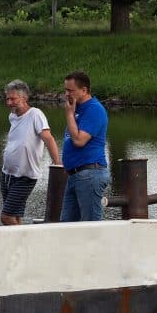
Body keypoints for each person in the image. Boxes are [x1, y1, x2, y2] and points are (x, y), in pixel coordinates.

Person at [0, 79, 61, 225]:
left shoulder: (35, 114)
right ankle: (17, 246)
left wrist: (57, 163)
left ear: (24, 97)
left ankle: (25, 246)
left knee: (6, 217)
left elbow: (48, 138)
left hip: (25, 177)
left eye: (13, 99)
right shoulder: (12, 116)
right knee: (15, 216)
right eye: (7, 99)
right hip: (7, 174)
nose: (9, 103)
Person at [60, 70, 109, 222]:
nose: (67, 94)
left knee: (90, 228)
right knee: (66, 227)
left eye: (71, 90)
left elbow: (79, 141)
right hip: (75, 175)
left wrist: (69, 114)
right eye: (65, 90)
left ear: (84, 90)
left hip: (90, 173)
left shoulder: (94, 109)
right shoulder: (77, 109)